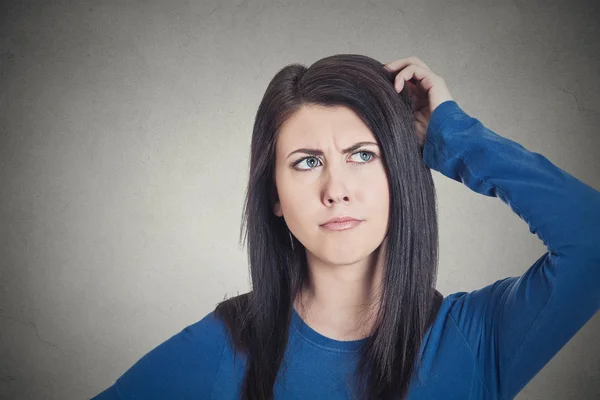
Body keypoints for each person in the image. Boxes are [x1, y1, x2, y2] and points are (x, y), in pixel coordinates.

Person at [92, 55, 600, 400]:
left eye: (362, 154)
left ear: (400, 173)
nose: (336, 187)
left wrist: (451, 133)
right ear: (273, 194)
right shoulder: (223, 349)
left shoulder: (475, 341)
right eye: (307, 162)